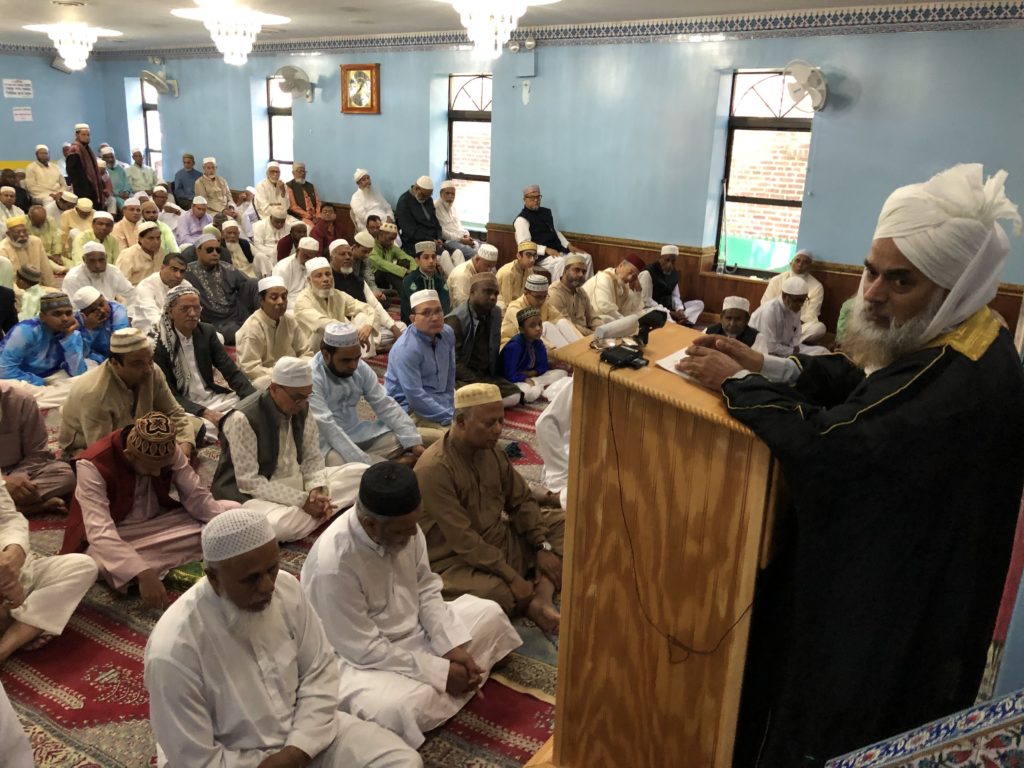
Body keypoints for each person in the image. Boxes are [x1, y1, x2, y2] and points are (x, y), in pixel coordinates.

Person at [675, 163, 1024, 767]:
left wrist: (736, 384)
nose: (872, 293)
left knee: (844, 724)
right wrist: (766, 366)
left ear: (951, 286)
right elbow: (870, 379)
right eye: (870, 270)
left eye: (899, 280)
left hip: (893, 600)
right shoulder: (960, 330)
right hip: (909, 570)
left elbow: (832, 444)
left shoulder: (955, 379)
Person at [144, 508, 423, 767]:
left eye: (272, 569)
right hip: (238, 760)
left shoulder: (286, 589)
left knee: (404, 762)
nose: (268, 586)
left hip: (309, 733)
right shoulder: (174, 650)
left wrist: (299, 748)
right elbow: (193, 757)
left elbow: (319, 670)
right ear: (214, 578)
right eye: (251, 579)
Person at [302, 462, 521, 748]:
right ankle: (468, 675)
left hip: (415, 630)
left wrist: (450, 645)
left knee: (490, 613)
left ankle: (457, 680)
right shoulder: (333, 564)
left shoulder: (407, 530)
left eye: (413, 526)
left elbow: (426, 588)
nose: (413, 536)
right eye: (402, 532)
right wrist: (439, 672)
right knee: (396, 709)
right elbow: (362, 649)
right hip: (361, 659)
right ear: (370, 524)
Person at [415, 383, 565, 633]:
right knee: (498, 594)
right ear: (461, 422)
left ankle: (540, 597)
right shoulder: (434, 469)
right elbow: (464, 540)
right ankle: (530, 590)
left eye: (501, 422)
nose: (498, 430)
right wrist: (511, 577)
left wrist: (541, 545)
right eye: (489, 423)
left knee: (567, 526)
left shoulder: (492, 452)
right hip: (452, 561)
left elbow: (521, 500)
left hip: (499, 540)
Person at [61, 411, 235, 607]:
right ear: (129, 455)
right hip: (116, 532)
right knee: (95, 563)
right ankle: (142, 567)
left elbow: (196, 495)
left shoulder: (168, 450)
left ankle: (144, 566)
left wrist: (225, 527)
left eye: (162, 467)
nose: (158, 473)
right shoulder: (92, 464)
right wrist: (142, 572)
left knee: (231, 511)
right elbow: (100, 531)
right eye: (152, 468)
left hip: (158, 523)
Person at [212, 357, 368, 542]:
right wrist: (302, 501)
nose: (302, 403)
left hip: (297, 481)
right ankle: (324, 509)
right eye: (297, 398)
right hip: (255, 494)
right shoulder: (243, 418)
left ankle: (320, 508)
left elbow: (312, 457)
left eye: (307, 396)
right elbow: (249, 482)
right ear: (274, 389)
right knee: (280, 527)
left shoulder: (302, 406)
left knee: (362, 474)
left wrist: (316, 489)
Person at [312, 322, 439, 468]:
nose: (353, 365)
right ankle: (391, 465)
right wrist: (362, 459)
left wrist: (413, 442)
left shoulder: (359, 367)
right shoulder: (312, 377)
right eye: (346, 360)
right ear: (326, 355)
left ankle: (381, 465)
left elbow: (384, 404)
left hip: (359, 433)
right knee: (337, 462)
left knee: (420, 437)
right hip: (328, 443)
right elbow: (328, 427)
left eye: (357, 358)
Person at [59, 327, 198, 458]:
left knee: (195, 427)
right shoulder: (95, 394)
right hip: (87, 444)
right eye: (137, 364)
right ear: (115, 363)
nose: (148, 369)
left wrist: (185, 444)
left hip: (134, 429)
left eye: (150, 360)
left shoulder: (152, 371)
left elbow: (173, 412)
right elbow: (102, 449)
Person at [0, 477, 97, 664]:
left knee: (82, 566)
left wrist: (14, 552)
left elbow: (8, 518)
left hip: (12, 569)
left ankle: (4, 649)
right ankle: (28, 622)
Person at [155, 284, 256, 435]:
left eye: (196, 308)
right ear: (170, 312)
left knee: (249, 404)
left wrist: (254, 399)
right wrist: (205, 412)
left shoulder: (206, 332)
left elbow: (230, 370)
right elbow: (169, 395)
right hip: (183, 405)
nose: (192, 313)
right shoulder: (159, 345)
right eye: (185, 309)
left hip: (212, 397)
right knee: (194, 427)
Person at [296, 257, 398, 357]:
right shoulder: (302, 300)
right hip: (313, 350)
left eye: (328, 274)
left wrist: (368, 325)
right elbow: (323, 324)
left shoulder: (338, 295)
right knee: (321, 333)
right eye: (319, 276)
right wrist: (354, 333)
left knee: (363, 316)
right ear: (309, 280)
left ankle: (362, 357)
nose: (325, 279)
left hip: (343, 342)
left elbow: (368, 308)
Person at [445, 273, 521, 407]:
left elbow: (493, 350)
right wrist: (478, 381)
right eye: (487, 292)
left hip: (485, 375)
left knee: (515, 395)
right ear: (472, 292)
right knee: (463, 395)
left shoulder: (495, 312)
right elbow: (453, 363)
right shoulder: (455, 319)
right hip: (462, 377)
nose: (493, 297)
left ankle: (479, 405)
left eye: (496, 294)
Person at [385, 290, 457, 430]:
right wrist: (449, 416)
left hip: (440, 400)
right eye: (426, 313)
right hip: (408, 409)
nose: (435, 318)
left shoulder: (447, 333)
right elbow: (415, 397)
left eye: (438, 311)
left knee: (479, 409)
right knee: (456, 435)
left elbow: (450, 375)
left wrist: (450, 406)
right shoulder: (406, 348)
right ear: (413, 319)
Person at [0, 292, 86, 408]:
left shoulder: (72, 333)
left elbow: (79, 373)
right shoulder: (25, 331)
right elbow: (4, 370)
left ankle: (46, 400)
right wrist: (40, 382)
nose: (65, 318)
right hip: (22, 379)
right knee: (12, 387)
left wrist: (68, 339)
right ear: (42, 317)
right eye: (57, 314)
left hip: (52, 377)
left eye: (68, 313)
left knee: (82, 385)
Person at [0, 383, 75, 515]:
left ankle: (11, 505)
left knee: (66, 475)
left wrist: (20, 482)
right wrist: (4, 482)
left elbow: (37, 452)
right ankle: (30, 508)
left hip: (20, 471)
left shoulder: (22, 400)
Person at [235, 275, 313, 388]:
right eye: (274, 297)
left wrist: (295, 369)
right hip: (270, 376)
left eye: (284, 297)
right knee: (261, 383)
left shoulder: (289, 320)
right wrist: (282, 374)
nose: (281, 302)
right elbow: (250, 369)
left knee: (314, 365)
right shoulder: (251, 328)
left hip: (293, 372)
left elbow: (306, 353)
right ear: (261, 300)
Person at [183, 233, 259, 345]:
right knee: (234, 332)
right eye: (210, 250)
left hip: (237, 313)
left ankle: (261, 320)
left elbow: (247, 286)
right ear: (198, 251)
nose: (215, 253)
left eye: (218, 250)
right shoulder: (187, 273)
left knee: (254, 283)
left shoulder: (227, 267)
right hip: (215, 322)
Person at [513, 184, 593, 282]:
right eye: (532, 197)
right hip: (540, 256)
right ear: (524, 199)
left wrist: (569, 245)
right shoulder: (521, 219)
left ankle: (584, 289)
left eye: (538, 197)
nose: (536, 200)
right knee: (561, 262)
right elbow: (524, 244)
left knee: (586, 257)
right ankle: (558, 290)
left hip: (559, 250)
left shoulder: (545, 212)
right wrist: (545, 250)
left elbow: (555, 231)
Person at [501, 307, 569, 403]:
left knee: (562, 373)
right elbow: (509, 375)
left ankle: (537, 386)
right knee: (528, 394)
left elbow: (543, 366)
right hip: (517, 380)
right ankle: (539, 388)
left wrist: (531, 374)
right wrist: (524, 378)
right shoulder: (514, 346)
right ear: (521, 330)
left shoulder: (538, 343)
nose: (538, 329)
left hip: (533, 377)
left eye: (540, 324)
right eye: (532, 326)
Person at [759, 249, 826, 343]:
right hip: (776, 322)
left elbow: (812, 314)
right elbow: (765, 304)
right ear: (791, 263)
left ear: (809, 266)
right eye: (797, 260)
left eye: (805, 262)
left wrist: (793, 326)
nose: (800, 264)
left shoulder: (816, 286)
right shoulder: (777, 280)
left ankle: (788, 342)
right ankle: (790, 342)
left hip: (798, 326)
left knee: (819, 328)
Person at [748, 275, 826, 356]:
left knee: (822, 351)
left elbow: (797, 331)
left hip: (786, 348)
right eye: (797, 300)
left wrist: (795, 345)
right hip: (763, 352)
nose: (801, 305)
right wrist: (793, 351)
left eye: (803, 300)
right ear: (785, 296)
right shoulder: (770, 311)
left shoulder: (795, 308)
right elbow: (771, 348)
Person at [500, 273, 581, 351]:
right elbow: (529, 333)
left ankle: (580, 348)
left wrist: (582, 339)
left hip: (536, 344)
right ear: (526, 292)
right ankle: (565, 355)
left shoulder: (545, 305)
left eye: (544, 296)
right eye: (538, 297)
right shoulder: (515, 308)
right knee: (545, 326)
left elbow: (560, 319)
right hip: (513, 347)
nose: (542, 301)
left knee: (562, 322)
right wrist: (553, 349)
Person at [639, 245, 704, 325]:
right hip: (653, 309)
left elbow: (675, 296)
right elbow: (646, 301)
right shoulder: (647, 273)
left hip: (670, 308)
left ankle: (682, 320)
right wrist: (670, 312)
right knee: (662, 315)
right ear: (660, 258)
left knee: (699, 304)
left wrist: (679, 310)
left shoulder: (674, 273)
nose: (670, 264)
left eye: (673, 261)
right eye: (667, 260)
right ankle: (678, 323)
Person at [63, 241, 135, 305]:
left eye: (101, 260)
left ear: (106, 258)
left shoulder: (113, 272)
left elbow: (131, 294)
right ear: (84, 260)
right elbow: (73, 307)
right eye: (92, 261)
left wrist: (124, 310)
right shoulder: (73, 277)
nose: (98, 265)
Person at [71, 286, 130, 364]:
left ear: (104, 299)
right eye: (93, 310)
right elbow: (80, 354)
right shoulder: (77, 321)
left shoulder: (118, 312)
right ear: (84, 314)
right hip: (96, 359)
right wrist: (89, 329)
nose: (102, 311)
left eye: (102, 304)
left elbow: (121, 344)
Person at [131, 253, 187, 335]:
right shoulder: (146, 286)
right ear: (162, 268)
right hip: (147, 332)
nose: (178, 275)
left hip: (178, 331)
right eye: (174, 270)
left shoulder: (186, 286)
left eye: (182, 271)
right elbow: (153, 317)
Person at [547, 252, 599, 336]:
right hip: (568, 336)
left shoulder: (581, 291)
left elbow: (593, 317)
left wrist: (602, 331)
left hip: (587, 335)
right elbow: (566, 326)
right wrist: (592, 334)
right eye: (577, 270)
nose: (581, 274)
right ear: (565, 271)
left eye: (584, 272)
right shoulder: (554, 293)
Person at [581, 256, 644, 325]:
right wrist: (623, 321)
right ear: (621, 265)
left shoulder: (624, 285)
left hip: (606, 320)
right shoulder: (603, 278)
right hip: (583, 317)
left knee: (640, 314)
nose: (630, 278)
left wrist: (638, 292)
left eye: (634, 276)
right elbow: (603, 306)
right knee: (606, 319)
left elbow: (631, 309)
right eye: (630, 272)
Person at [400, 241, 451, 324]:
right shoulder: (409, 281)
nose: (431, 261)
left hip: (438, 322)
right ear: (417, 261)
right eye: (426, 257)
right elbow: (415, 308)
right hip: (414, 324)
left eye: (433, 257)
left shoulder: (440, 281)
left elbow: (445, 306)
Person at [0, 214, 56, 288]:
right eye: (17, 232)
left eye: (24, 231)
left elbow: (46, 269)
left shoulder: (36, 242)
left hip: (38, 287)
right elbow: (7, 281)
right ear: (8, 234)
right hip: (16, 289)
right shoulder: (2, 248)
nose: (22, 235)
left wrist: (52, 288)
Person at [395, 176, 443, 258]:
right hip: (414, 243)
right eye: (424, 195)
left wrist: (439, 237)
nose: (426, 198)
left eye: (429, 195)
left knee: (455, 253)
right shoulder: (404, 202)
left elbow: (435, 222)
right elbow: (411, 231)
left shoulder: (428, 199)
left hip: (433, 241)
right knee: (443, 255)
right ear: (416, 189)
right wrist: (431, 240)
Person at [435, 179, 477, 265]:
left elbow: (459, 225)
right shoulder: (435, 207)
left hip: (461, 238)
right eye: (447, 193)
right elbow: (443, 233)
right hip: (448, 241)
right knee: (473, 253)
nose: (450, 196)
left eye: (453, 194)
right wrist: (461, 240)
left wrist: (466, 235)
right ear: (441, 193)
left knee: (479, 247)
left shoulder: (452, 207)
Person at [252, 206, 300, 277]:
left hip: (283, 255)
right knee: (259, 256)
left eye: (282, 222)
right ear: (271, 217)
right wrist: (273, 253)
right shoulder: (260, 225)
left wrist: (278, 253)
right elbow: (258, 245)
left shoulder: (288, 227)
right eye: (277, 222)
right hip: (266, 256)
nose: (279, 224)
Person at [370, 222, 416, 294]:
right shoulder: (371, 246)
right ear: (381, 235)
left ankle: (414, 290)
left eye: (394, 239)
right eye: (390, 238)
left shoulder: (391, 247)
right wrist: (404, 271)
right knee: (390, 272)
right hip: (374, 277)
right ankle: (407, 294)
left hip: (389, 276)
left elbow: (410, 259)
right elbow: (381, 264)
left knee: (405, 262)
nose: (392, 242)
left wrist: (413, 271)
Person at [64, 123, 103, 207]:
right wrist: (83, 186)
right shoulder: (74, 150)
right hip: (82, 189)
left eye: (88, 135)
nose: (86, 137)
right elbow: (72, 171)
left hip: (91, 187)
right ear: (76, 135)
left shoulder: (87, 149)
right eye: (83, 134)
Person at [447, 244, 498, 308]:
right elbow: (461, 304)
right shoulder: (462, 274)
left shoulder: (483, 272)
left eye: (492, 267)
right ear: (477, 259)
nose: (489, 270)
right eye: (487, 266)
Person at [115, 221, 164, 285]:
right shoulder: (128, 255)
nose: (156, 242)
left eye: (158, 238)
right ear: (140, 239)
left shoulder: (160, 252)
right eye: (151, 238)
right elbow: (119, 284)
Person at [274, 234, 320, 303]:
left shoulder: (316, 264)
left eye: (312, 257)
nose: (308, 260)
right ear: (298, 251)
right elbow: (279, 294)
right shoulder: (282, 267)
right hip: (289, 302)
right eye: (306, 256)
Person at [350, 168, 396, 233]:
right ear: (358, 183)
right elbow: (364, 218)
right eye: (364, 180)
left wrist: (389, 217)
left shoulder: (376, 192)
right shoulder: (355, 197)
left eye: (368, 178)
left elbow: (387, 207)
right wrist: (381, 223)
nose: (367, 181)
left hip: (385, 223)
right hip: (369, 227)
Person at [495, 241, 536, 311]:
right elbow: (507, 301)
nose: (532, 260)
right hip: (503, 305)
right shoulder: (508, 272)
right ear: (519, 256)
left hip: (519, 304)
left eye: (534, 256)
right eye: (528, 255)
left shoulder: (529, 270)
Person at [286, 162, 321, 228]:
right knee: (311, 227)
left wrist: (318, 215)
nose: (302, 174)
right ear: (293, 173)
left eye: (303, 171)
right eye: (299, 171)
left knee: (323, 225)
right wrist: (309, 216)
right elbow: (293, 206)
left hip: (314, 216)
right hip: (299, 216)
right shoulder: (289, 186)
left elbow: (318, 202)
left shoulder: (311, 186)